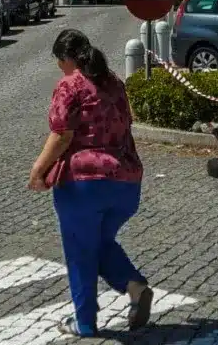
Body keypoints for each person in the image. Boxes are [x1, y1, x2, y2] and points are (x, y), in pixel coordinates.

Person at [29, 29, 152, 338]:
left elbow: (62, 135)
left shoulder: (69, 85)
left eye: (58, 60)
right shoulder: (115, 83)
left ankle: (84, 322)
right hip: (127, 183)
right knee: (98, 243)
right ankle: (135, 287)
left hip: (84, 184)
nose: (59, 67)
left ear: (67, 59)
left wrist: (38, 170)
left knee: (81, 251)